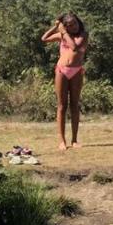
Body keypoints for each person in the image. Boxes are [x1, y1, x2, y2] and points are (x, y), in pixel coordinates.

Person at [42, 13, 89, 151]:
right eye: (68, 25)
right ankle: (62, 140)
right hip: (62, 71)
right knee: (62, 105)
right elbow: (44, 38)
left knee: (75, 104)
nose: (72, 27)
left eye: (74, 23)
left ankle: (74, 139)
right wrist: (56, 27)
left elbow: (75, 47)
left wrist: (63, 32)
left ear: (78, 22)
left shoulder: (83, 35)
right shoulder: (63, 35)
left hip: (76, 71)